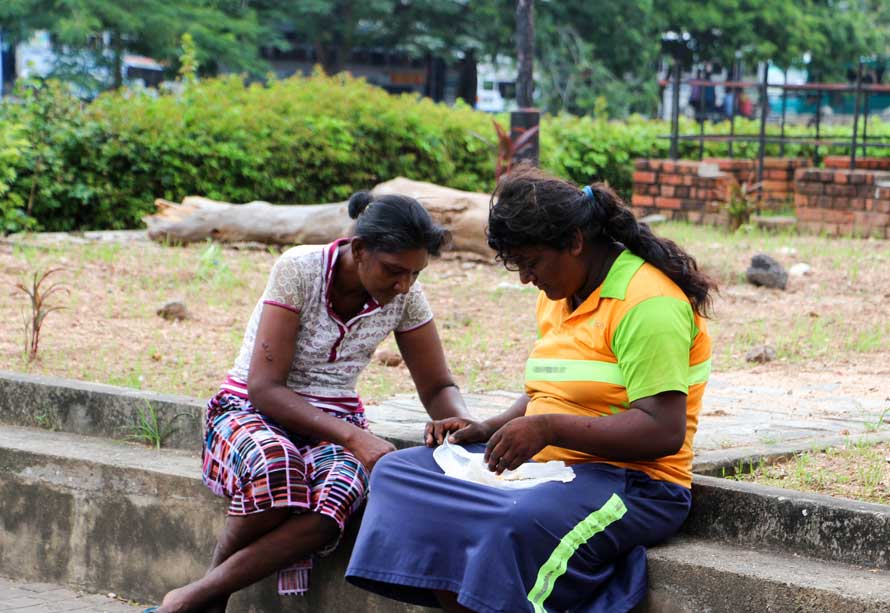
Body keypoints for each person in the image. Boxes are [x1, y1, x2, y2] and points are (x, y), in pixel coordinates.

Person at [345, 165, 715, 613]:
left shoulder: (649, 304)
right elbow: (550, 390)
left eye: (531, 262)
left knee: (513, 521)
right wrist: (489, 427)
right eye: (518, 265)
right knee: (399, 473)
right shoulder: (561, 290)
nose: (525, 278)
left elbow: (662, 431)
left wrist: (548, 429)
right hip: (549, 468)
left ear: (575, 243)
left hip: (635, 482)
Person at [153, 192, 470, 612]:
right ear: (359, 250)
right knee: (275, 465)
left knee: (338, 496)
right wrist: (355, 439)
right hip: (251, 411)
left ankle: (195, 598)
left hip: (334, 421)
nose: (405, 284)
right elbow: (264, 388)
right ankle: (213, 600)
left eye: (415, 273)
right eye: (395, 271)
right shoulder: (300, 269)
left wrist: (463, 423)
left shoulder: (406, 296)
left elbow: (436, 387)